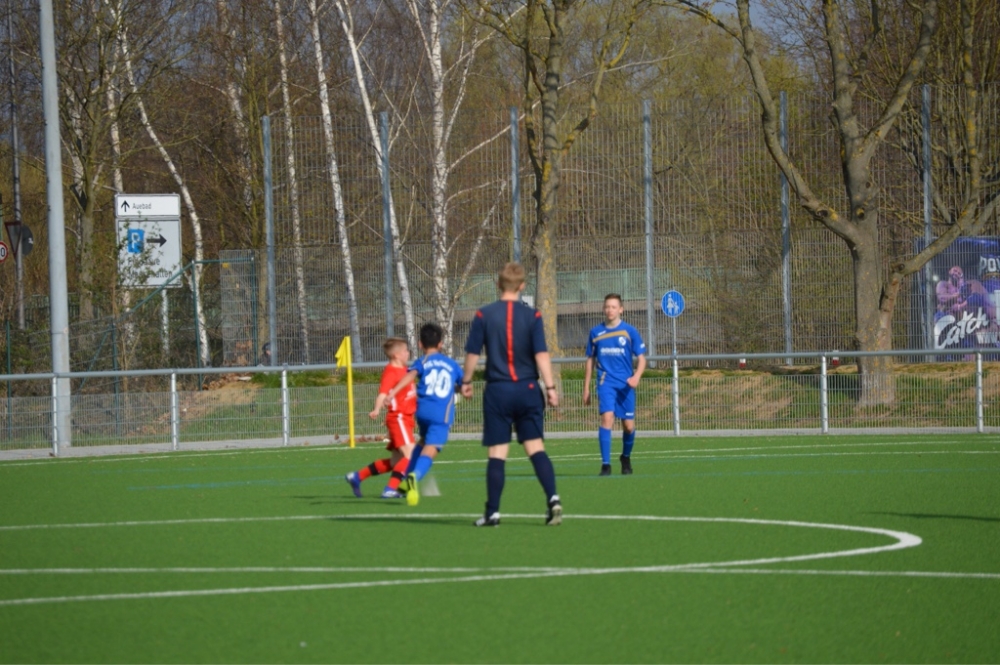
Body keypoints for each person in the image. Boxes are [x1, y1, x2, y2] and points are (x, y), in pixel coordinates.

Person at [461, 262, 561, 527]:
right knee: (536, 448)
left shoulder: (483, 314)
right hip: (528, 389)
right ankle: (553, 498)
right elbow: (541, 354)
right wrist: (551, 388)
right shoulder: (533, 316)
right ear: (522, 286)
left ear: (498, 284)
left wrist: (466, 381)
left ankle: (492, 512)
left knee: (497, 453)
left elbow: (472, 353)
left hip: (498, 390)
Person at [381, 322, 463, 507]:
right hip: (440, 414)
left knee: (423, 441)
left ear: (420, 344)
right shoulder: (451, 364)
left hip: (422, 411)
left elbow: (409, 376)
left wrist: (392, 393)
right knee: (432, 448)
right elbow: (464, 385)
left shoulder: (422, 362)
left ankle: (403, 481)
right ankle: (413, 477)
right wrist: (463, 390)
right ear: (441, 344)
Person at [583, 294, 647, 476]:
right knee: (607, 418)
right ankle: (606, 465)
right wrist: (586, 388)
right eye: (607, 307)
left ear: (621, 309)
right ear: (603, 309)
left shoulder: (629, 331)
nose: (610, 310)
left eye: (613, 307)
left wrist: (637, 376)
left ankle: (625, 457)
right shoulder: (596, 332)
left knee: (629, 427)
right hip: (606, 382)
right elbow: (590, 360)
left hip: (626, 384)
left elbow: (642, 359)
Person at [345, 337, 416, 499]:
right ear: (397, 355)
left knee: (395, 462)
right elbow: (383, 394)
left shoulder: (406, 369)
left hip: (405, 419)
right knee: (411, 455)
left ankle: (357, 476)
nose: (408, 353)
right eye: (405, 351)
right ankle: (390, 489)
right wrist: (376, 409)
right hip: (399, 418)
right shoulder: (391, 372)